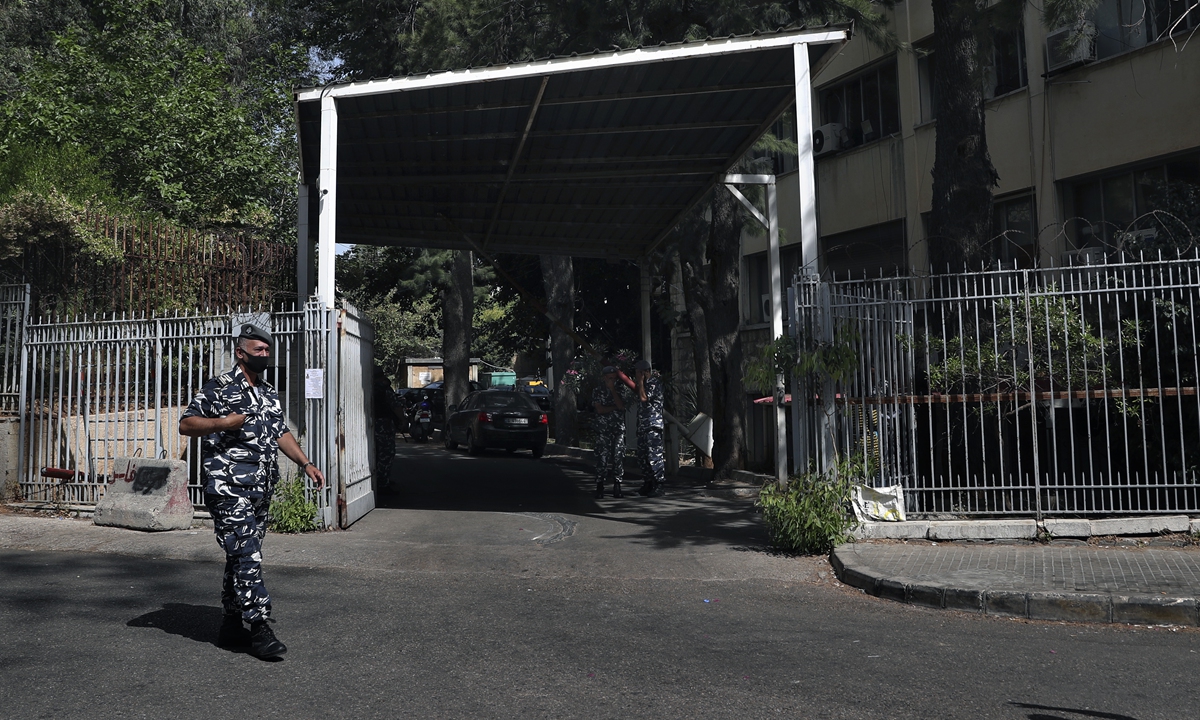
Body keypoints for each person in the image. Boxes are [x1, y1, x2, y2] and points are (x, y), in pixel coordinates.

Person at [179, 323, 326, 660]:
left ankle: (231, 622)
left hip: (259, 487)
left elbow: (280, 433)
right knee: (248, 554)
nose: (266, 356)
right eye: (259, 350)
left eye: (268, 351)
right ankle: (259, 627)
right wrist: (222, 423)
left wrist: (306, 463)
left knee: (240, 554)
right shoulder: (219, 387)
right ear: (241, 352)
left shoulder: (268, 391)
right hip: (226, 486)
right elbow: (186, 423)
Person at [590, 365, 627, 498]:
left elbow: (621, 406)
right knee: (602, 458)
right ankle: (600, 485)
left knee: (618, 457)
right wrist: (614, 407)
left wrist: (613, 391)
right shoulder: (598, 390)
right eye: (609, 378)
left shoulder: (620, 389)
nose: (612, 380)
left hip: (617, 429)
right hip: (603, 429)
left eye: (614, 378)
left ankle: (617, 485)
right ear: (604, 377)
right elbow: (599, 409)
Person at [634, 359, 666, 497]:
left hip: (653, 425)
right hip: (643, 425)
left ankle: (659, 483)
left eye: (638, 373)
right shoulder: (644, 384)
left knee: (654, 456)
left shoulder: (653, 384)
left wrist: (640, 382)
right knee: (642, 456)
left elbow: (643, 398)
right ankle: (648, 482)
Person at [372, 365, 399, 491]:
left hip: (369, 426)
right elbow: (395, 406)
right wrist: (403, 420)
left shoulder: (368, 388)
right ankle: (382, 483)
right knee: (386, 455)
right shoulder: (385, 390)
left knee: (374, 454)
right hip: (384, 426)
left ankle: (375, 481)